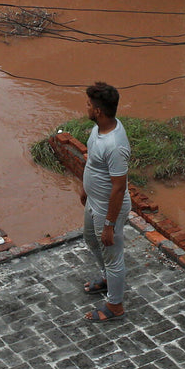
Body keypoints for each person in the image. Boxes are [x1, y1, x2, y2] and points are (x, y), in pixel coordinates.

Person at [80, 81, 131, 322]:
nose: (87, 108)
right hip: (94, 201)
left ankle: (115, 306)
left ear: (98, 111)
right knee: (91, 239)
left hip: (108, 208)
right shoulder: (98, 130)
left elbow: (119, 187)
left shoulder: (115, 145)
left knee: (113, 255)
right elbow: (91, 162)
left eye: (89, 105)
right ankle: (109, 281)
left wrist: (110, 224)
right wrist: (84, 189)